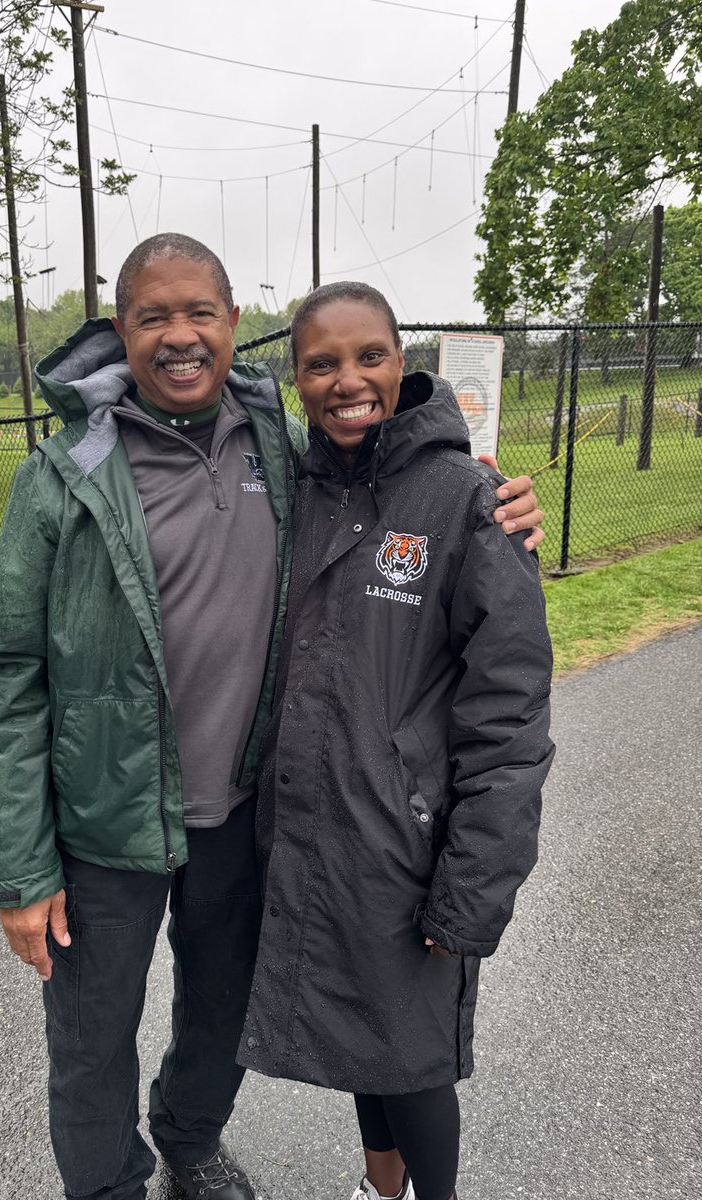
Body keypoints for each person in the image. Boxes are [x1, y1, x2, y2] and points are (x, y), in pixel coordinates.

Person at [0, 236, 545, 1200]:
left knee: (221, 1009)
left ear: (235, 325)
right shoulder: (63, 473)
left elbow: (392, 478)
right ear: (121, 330)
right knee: (92, 1037)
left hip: (242, 816)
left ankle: (189, 1141)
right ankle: (108, 1187)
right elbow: (10, 673)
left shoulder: (279, 447)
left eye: (200, 312)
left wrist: (496, 503)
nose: (180, 336)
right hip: (103, 827)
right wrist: (23, 869)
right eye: (154, 317)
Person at [237, 282, 555, 1200]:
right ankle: (384, 1190)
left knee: (411, 1057)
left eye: (368, 356)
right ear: (296, 378)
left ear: (401, 361)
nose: (348, 381)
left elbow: (509, 715)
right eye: (321, 364)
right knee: (360, 1037)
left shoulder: (468, 498)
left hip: (408, 846)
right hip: (312, 828)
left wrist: (472, 886)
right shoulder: (294, 492)